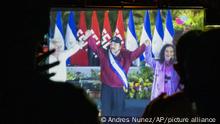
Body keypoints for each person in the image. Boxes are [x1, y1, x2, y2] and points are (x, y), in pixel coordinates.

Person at [5, 1, 100, 123]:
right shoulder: (44, 62)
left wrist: (85, 38)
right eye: (55, 44)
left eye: (60, 44)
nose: (58, 46)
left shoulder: (63, 55)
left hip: (59, 93)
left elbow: (75, 47)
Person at [85, 30, 147, 116]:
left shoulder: (126, 55)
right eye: (111, 43)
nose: (112, 45)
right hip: (106, 89)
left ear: (120, 46)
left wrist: (144, 46)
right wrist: (89, 37)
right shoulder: (104, 54)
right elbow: (94, 48)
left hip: (119, 90)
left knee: (118, 113)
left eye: (115, 44)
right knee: (105, 112)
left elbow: (136, 54)